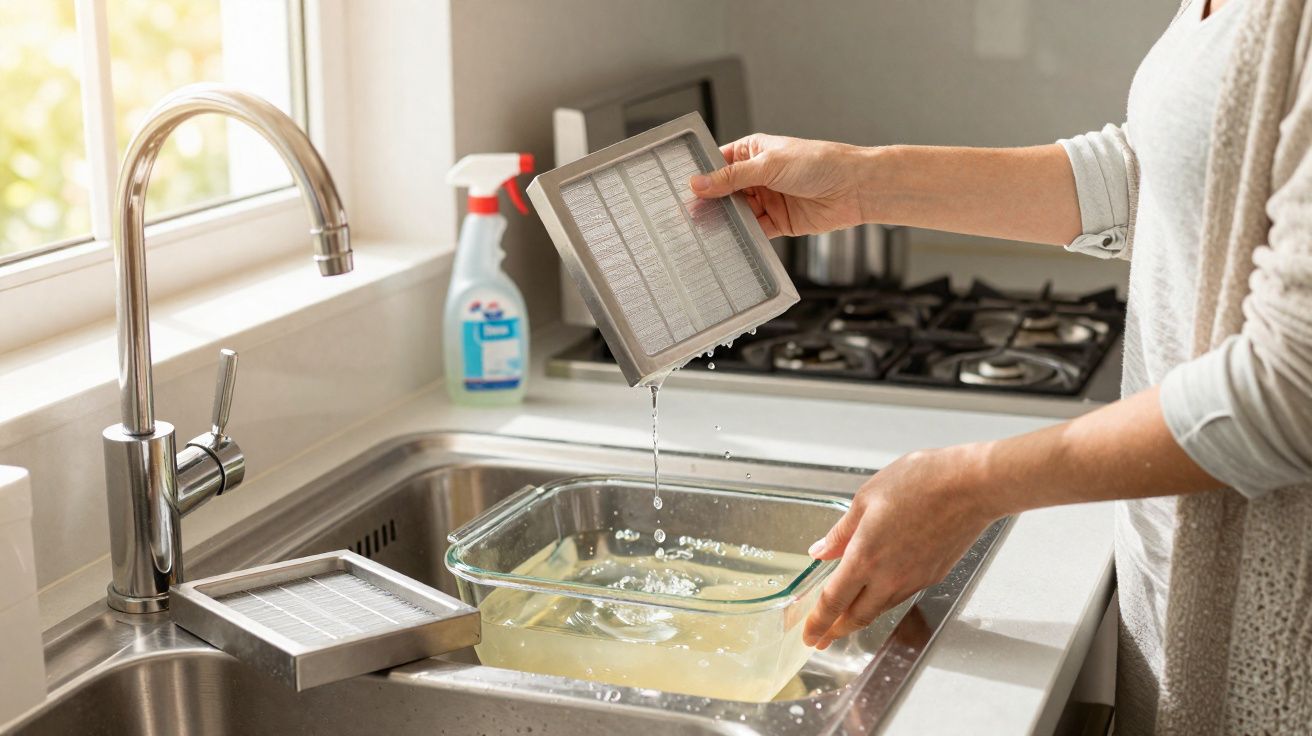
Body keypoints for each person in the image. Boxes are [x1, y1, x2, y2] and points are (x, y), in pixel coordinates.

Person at [691, 0, 1312, 733]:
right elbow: (1162, 171)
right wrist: (863, 183)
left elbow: (1292, 387)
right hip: (1180, 599)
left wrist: (971, 484)